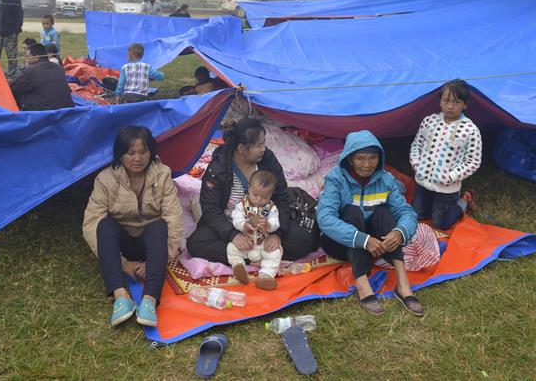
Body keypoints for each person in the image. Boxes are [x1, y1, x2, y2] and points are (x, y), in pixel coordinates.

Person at [82, 126, 184, 327]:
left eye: (143, 152)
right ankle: (121, 297)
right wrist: (122, 263)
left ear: (151, 152)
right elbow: (91, 222)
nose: (137, 158)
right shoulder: (106, 179)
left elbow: (173, 216)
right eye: (130, 153)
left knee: (159, 226)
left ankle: (149, 301)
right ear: (120, 155)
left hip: (152, 243)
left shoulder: (162, 175)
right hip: (123, 243)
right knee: (104, 225)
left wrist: (163, 258)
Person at [318, 130, 423, 316]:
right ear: (349, 159)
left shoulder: (386, 180)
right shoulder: (336, 179)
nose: (367, 165)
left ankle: (403, 283)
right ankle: (362, 284)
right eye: (360, 159)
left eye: (372, 158)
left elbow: (406, 212)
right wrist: (362, 240)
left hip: (375, 245)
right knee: (352, 212)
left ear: (379, 158)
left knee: (383, 212)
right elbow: (325, 218)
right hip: (340, 244)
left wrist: (399, 232)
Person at [186, 118, 313, 265]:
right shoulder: (219, 166)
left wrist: (277, 234)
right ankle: (255, 257)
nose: (263, 149)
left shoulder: (267, 159)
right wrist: (232, 235)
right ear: (241, 148)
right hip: (231, 222)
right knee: (196, 243)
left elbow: (282, 197)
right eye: (259, 145)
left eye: (264, 143)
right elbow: (210, 207)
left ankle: (246, 254)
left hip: (265, 222)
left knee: (303, 240)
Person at [409, 79, 482, 230]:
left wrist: (451, 177)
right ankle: (428, 205)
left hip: (447, 188)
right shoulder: (429, 121)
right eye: (446, 101)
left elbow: (473, 161)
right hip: (423, 182)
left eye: (456, 102)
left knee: (440, 224)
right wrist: (416, 164)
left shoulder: (470, 130)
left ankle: (463, 201)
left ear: (465, 104)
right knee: (418, 215)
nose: (450, 106)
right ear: (440, 102)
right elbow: (417, 144)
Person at [228, 170, 282, 290]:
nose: (258, 199)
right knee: (231, 248)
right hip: (246, 242)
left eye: (264, 197)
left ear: (271, 195)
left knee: (276, 253)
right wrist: (243, 225)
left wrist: (268, 225)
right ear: (249, 188)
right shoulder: (242, 204)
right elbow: (235, 218)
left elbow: (275, 223)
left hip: (263, 244)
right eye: (255, 195)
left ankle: (265, 276)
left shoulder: (271, 208)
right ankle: (238, 266)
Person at [8, 43, 74, 111]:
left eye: (27, 57)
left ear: (36, 57)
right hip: (67, 109)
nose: (26, 59)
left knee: (15, 94)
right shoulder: (59, 67)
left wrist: (7, 82)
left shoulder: (32, 70)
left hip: (47, 111)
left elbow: (13, 88)